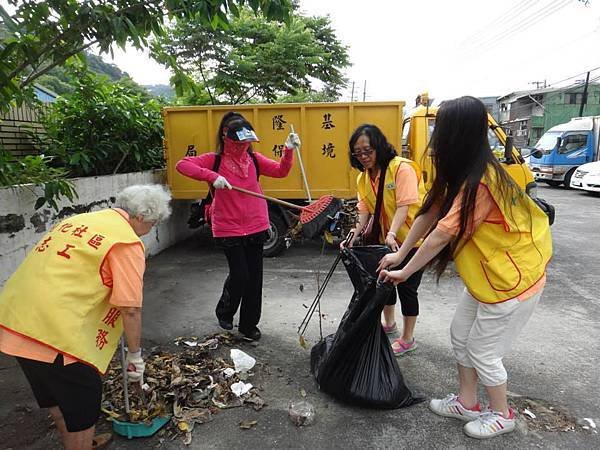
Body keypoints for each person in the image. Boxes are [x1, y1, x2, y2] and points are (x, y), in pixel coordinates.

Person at [378, 96, 552, 439]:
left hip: (510, 283)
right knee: (460, 335)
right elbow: (429, 212)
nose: (435, 139)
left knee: (483, 351)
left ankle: (503, 414)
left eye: (441, 130)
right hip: (488, 279)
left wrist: (405, 271)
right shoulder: (459, 171)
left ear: (457, 134)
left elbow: (441, 234)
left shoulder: (482, 181)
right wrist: (400, 255)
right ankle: (468, 402)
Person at [0, 184, 172, 450]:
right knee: (83, 403)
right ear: (141, 217)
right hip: (53, 333)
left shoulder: (80, 220)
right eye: (152, 224)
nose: (150, 230)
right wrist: (136, 357)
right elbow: (131, 308)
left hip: (16, 319)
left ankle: (81, 442)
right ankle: (80, 443)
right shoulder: (125, 242)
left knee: (56, 396)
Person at [176, 112, 299, 341]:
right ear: (226, 138)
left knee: (255, 278)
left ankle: (248, 326)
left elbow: (281, 171)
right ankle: (225, 310)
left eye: (247, 142)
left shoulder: (254, 160)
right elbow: (182, 165)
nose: (244, 146)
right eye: (239, 142)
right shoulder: (215, 160)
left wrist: (288, 150)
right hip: (228, 227)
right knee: (240, 274)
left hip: (257, 224)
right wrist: (212, 176)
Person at [341, 124, 425, 356]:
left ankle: (408, 338)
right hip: (385, 243)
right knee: (384, 283)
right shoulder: (363, 178)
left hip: (411, 240)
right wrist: (351, 236)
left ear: (379, 146)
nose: (363, 157)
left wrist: (391, 233)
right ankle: (389, 324)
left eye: (367, 151)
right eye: (358, 153)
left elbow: (404, 205)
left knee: (408, 288)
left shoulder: (401, 169)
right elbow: (363, 210)